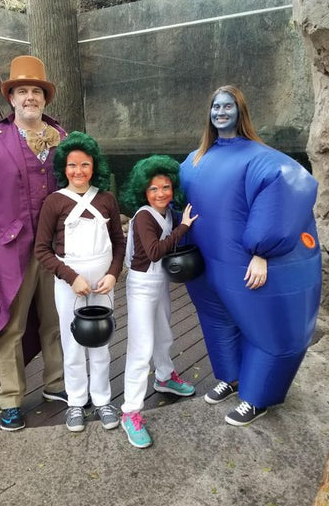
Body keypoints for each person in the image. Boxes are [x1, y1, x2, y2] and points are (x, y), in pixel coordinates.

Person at [180, 85, 322, 426]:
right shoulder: (195, 159)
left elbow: (291, 183)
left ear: (240, 112)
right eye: (216, 106)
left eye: (228, 106)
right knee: (217, 321)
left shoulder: (262, 158)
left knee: (269, 332)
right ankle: (231, 378)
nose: (221, 112)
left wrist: (263, 252)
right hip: (208, 266)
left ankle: (259, 396)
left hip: (248, 265)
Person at [0, 55, 67, 432]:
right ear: (11, 98)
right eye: (22, 91)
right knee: (11, 325)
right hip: (8, 251)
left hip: (55, 249)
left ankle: (56, 384)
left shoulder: (63, 137)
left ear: (45, 98)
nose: (29, 97)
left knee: (55, 320)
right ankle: (11, 399)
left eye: (36, 91)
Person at [34, 132, 126, 434]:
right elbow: (42, 250)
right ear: (64, 168)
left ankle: (102, 400)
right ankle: (76, 401)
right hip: (69, 285)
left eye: (84, 164)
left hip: (103, 284)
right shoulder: (54, 202)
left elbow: (118, 242)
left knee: (101, 340)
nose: (78, 171)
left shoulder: (106, 199)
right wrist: (71, 277)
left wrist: (113, 274)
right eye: (72, 165)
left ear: (93, 166)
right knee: (72, 343)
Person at [120, 155, 198, 448]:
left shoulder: (168, 213)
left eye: (166, 187)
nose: (161, 193)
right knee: (140, 348)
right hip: (141, 285)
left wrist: (180, 223)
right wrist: (184, 228)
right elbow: (153, 252)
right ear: (144, 191)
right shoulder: (143, 216)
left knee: (164, 333)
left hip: (160, 281)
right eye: (154, 189)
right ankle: (130, 411)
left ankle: (164, 377)